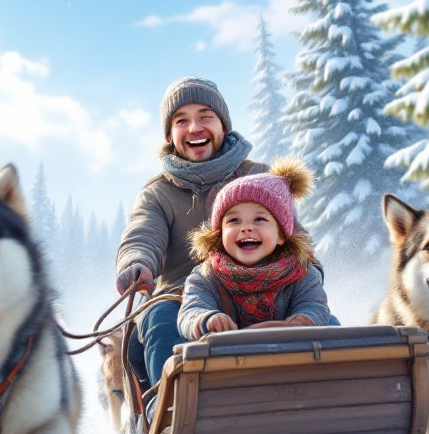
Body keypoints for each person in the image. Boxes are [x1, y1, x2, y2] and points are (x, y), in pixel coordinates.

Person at [115, 76, 271, 392]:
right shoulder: (157, 194)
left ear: (223, 126)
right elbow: (143, 234)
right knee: (159, 319)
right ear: (171, 136)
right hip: (180, 294)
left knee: (312, 313)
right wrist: (137, 262)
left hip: (259, 285)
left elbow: (291, 233)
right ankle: (169, 413)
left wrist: (306, 269)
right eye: (181, 120)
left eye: (205, 117)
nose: (194, 127)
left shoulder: (257, 176)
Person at [177, 160, 330, 340]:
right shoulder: (206, 276)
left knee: (332, 324)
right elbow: (191, 308)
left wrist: (303, 321)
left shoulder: (301, 274)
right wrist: (206, 318)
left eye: (259, 219)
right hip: (226, 359)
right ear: (220, 234)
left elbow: (313, 304)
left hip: (291, 354)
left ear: (281, 235)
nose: (246, 228)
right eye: (234, 221)